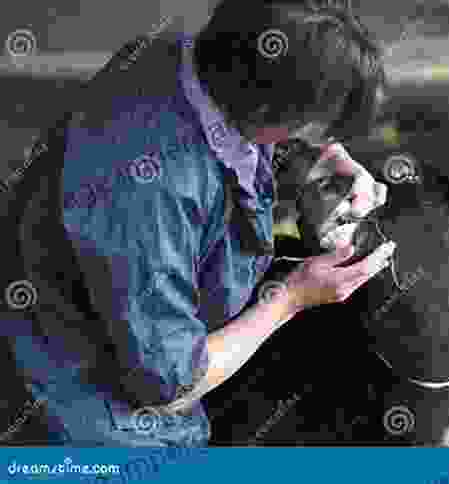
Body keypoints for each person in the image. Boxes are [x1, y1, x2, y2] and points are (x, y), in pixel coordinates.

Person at [2, 0, 394, 446]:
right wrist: (293, 298)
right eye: (309, 127)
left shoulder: (183, 60)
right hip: (84, 424)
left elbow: (235, 132)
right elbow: (169, 384)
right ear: (265, 108)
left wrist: (321, 162)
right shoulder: (150, 189)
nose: (312, 139)